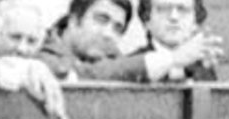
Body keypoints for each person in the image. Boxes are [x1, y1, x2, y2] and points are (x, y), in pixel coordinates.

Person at [39, 0, 219, 82]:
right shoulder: (36, 49)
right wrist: (172, 58)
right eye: (101, 20)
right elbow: (88, 74)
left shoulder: (113, 58)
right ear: (73, 20)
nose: (109, 34)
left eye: (118, 28)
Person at [130, 0, 222, 81]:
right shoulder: (134, 64)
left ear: (195, 23)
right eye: (163, 9)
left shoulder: (203, 69)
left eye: (183, 9)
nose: (174, 17)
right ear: (147, 21)